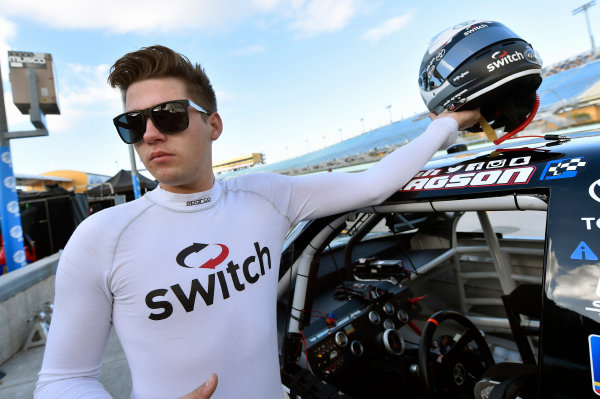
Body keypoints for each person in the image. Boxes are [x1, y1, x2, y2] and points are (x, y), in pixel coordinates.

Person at [34, 45, 480, 399]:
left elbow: (372, 186)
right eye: (132, 124)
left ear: (213, 124)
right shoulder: (102, 238)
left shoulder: (265, 196)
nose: (150, 134)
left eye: (168, 115)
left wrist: (445, 126)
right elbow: (60, 380)